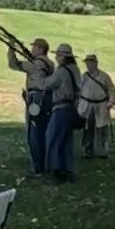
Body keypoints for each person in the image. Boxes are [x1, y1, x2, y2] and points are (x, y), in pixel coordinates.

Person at [8, 38, 53, 176]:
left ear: (40, 49)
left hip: (36, 99)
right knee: (44, 132)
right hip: (47, 98)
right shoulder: (50, 63)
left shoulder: (36, 64)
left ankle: (38, 168)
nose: (32, 50)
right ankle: (46, 164)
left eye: (34, 47)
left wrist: (11, 49)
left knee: (33, 134)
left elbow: (14, 65)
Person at [39, 42, 83, 184]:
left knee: (53, 139)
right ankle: (68, 171)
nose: (56, 57)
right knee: (66, 141)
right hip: (71, 109)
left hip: (61, 109)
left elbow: (47, 84)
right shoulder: (75, 69)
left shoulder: (62, 71)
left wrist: (41, 76)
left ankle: (57, 172)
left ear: (63, 57)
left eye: (58, 55)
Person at [78, 53, 115, 159]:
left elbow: (111, 89)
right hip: (87, 106)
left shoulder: (104, 76)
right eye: (87, 63)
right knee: (88, 129)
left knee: (102, 129)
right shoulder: (84, 76)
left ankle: (103, 151)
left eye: (90, 63)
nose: (88, 65)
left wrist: (111, 101)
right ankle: (87, 150)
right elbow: (79, 90)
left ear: (95, 63)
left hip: (101, 105)